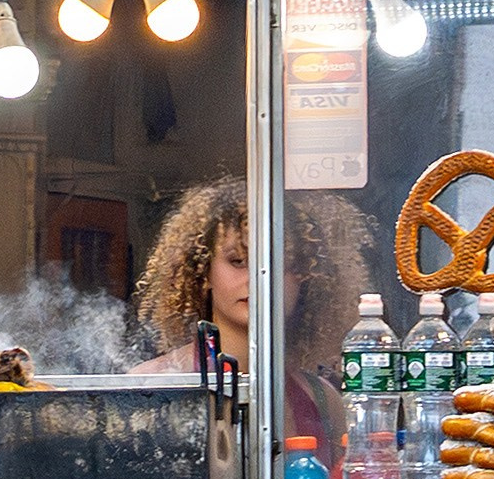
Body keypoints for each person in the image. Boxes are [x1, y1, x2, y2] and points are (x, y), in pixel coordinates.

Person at [131, 176, 370, 462]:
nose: (258, 279)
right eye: (238, 261)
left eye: (280, 263)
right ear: (203, 272)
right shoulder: (150, 387)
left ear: (306, 278)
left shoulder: (324, 401)